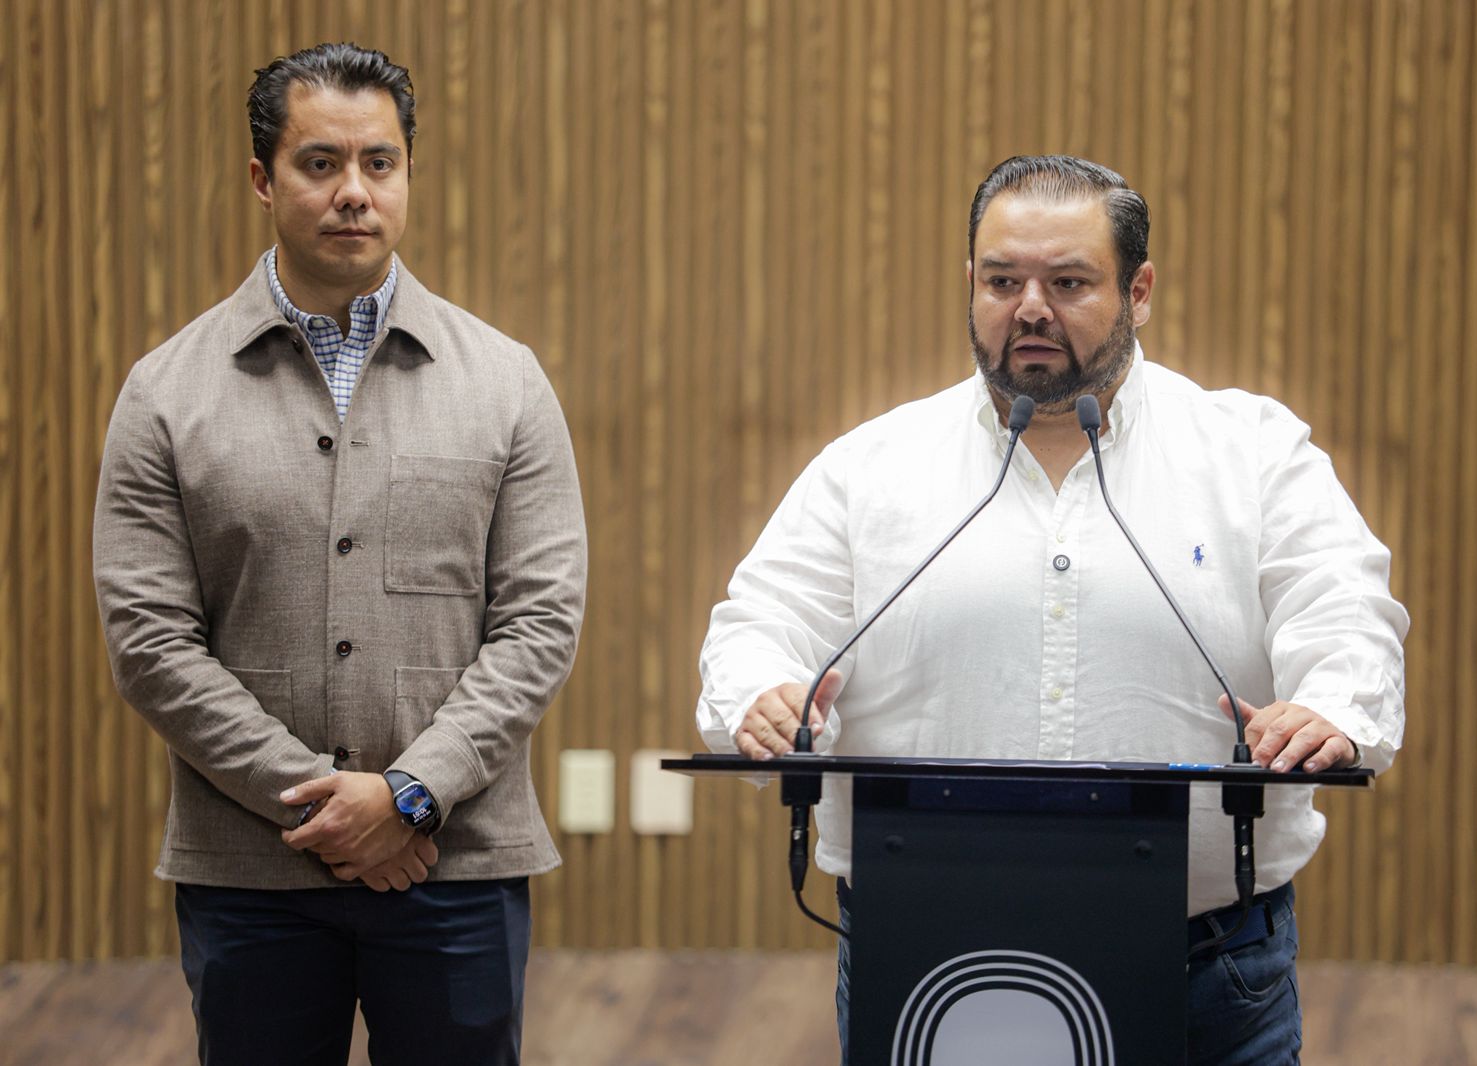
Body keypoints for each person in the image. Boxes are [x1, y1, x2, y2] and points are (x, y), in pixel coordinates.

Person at [696, 155, 1407, 1065]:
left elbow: (1343, 604)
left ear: (1139, 291)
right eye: (1002, 281)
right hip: (927, 961)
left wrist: (1331, 704)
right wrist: (763, 692)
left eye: (1068, 283)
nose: (1030, 307)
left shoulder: (1251, 452)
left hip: (1207, 964)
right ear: (971, 285)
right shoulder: (872, 467)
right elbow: (762, 620)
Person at [92, 42, 586, 1066]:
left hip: (454, 860)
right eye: (320, 163)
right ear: (263, 179)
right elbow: (149, 642)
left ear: (407, 174)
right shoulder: (165, 392)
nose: (353, 191)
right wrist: (324, 802)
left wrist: (408, 796)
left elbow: (540, 622)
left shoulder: (507, 382)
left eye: (379, 162)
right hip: (251, 871)